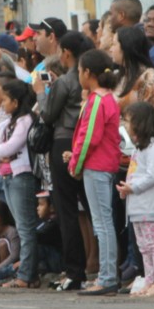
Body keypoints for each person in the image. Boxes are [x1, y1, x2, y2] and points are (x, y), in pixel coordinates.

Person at [36, 30, 90, 292]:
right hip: (89, 142)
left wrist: (41, 92)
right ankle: (106, 266)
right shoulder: (93, 77)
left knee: (67, 209)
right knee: (94, 209)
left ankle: (75, 270)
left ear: (66, 53)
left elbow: (47, 114)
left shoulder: (66, 81)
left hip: (64, 142)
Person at [66, 49, 122, 296]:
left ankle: (108, 277)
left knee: (102, 223)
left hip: (96, 166)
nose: (78, 75)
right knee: (103, 222)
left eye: (79, 71)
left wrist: (75, 165)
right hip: (101, 165)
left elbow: (88, 138)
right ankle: (106, 275)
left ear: (88, 73)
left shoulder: (97, 101)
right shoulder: (105, 98)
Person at [116, 101, 154, 297]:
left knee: (153, 243)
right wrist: (127, 189)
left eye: (128, 120)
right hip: (137, 204)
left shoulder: (153, 147)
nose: (125, 124)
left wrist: (134, 187)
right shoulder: (139, 149)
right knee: (143, 246)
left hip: (148, 203)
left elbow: (153, 175)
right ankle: (150, 280)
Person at [0, 80, 39, 288]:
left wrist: (0, 152)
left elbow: (12, 145)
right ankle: (25, 272)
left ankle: (26, 275)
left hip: (21, 177)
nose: (2, 104)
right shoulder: (7, 123)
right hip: (7, 177)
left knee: (26, 228)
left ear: (16, 102)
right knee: (20, 226)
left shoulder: (25, 121)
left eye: (6, 100)